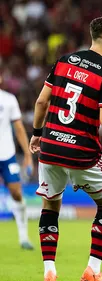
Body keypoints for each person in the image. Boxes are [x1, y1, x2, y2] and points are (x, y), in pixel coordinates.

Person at [29, 16, 102, 281]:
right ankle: (93, 269)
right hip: (82, 151)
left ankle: (49, 273)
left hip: (51, 146)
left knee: (50, 207)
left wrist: (36, 133)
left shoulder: (64, 61)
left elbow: (42, 100)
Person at [0, 83, 34, 250]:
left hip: (7, 154)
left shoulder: (8, 99)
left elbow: (19, 128)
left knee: (16, 192)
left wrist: (28, 156)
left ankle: (23, 237)